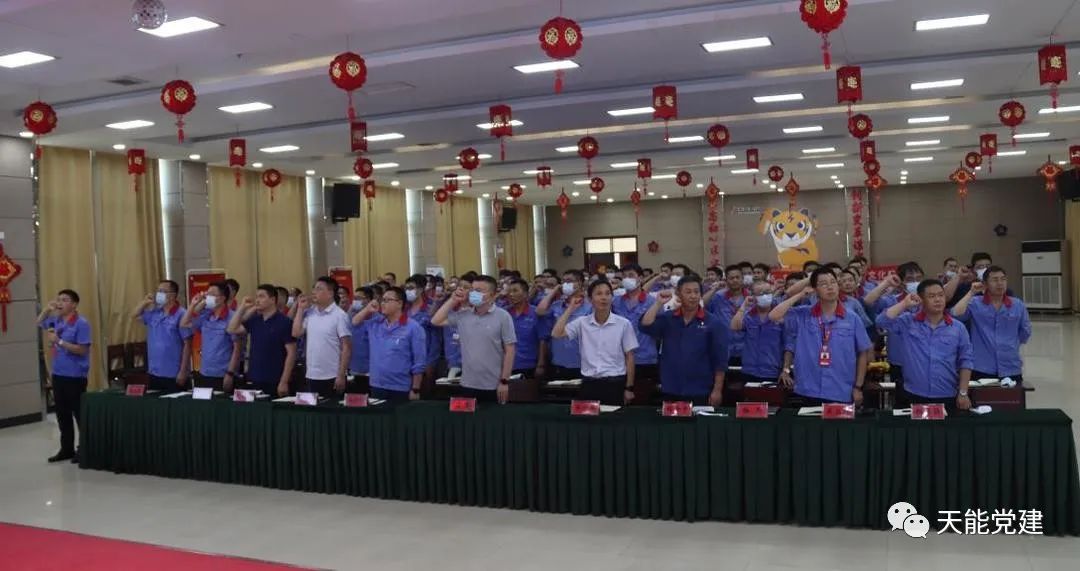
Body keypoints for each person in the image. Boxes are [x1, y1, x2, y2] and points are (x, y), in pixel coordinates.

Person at [770, 269, 872, 405]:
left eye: (833, 282)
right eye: (823, 284)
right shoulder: (803, 314)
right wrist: (800, 294)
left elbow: (863, 353)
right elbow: (773, 316)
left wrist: (858, 387)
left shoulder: (852, 318)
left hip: (840, 389)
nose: (830, 287)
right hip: (807, 389)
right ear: (815, 290)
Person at [877, 279, 973, 410]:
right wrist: (904, 304)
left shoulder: (958, 328)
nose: (938, 300)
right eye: (931, 296)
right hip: (913, 393)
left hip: (946, 393)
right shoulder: (908, 322)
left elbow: (966, 361)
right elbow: (881, 321)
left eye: (940, 295)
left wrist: (963, 392)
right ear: (921, 299)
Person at [640, 275, 727, 406]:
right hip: (670, 388)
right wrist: (658, 303)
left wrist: (717, 390)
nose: (693, 296)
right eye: (688, 292)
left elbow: (720, 360)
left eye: (696, 292)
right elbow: (645, 325)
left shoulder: (713, 323)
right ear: (678, 294)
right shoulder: (668, 318)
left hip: (700, 390)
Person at [432, 275, 516, 403]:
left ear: (492, 295)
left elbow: (510, 350)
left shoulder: (503, 316)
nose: (473, 293)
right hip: (468, 383)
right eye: (472, 290)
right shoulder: (463, 315)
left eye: (479, 290)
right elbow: (436, 321)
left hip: (493, 384)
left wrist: (504, 381)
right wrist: (453, 300)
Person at [552, 280, 638, 405]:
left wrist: (629, 388)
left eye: (607, 294)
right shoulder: (582, 322)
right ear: (590, 299)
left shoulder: (623, 324)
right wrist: (570, 308)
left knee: (613, 416)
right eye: (599, 294)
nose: (604, 298)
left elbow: (630, 357)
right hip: (589, 382)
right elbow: (556, 333)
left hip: (615, 382)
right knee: (588, 417)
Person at [37, 289, 92, 463]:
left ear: (74, 304)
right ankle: (66, 449)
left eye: (65, 300)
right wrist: (47, 309)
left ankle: (85, 449)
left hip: (75, 375)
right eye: (59, 299)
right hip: (58, 373)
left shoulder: (81, 323)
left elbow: (82, 350)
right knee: (62, 414)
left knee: (79, 414)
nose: (60, 302)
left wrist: (59, 341)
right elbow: (39, 322)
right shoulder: (56, 320)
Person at [951, 266, 1032, 383]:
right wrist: (971, 292)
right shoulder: (975, 303)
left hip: (1011, 366)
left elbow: (1025, 333)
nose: (1000, 283)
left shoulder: (1017, 305)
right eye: (994, 280)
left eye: (1003, 279)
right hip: (981, 367)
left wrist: (1010, 344)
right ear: (985, 284)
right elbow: (956, 315)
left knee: (1013, 394)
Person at [352, 287, 427, 402]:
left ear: (399, 303)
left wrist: (415, 389)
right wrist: (367, 309)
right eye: (382, 300)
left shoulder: (413, 327)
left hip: (400, 387)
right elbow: (355, 322)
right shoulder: (375, 324)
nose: (383, 303)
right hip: (377, 385)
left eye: (387, 300)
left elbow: (419, 362)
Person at [228, 285, 296, 397]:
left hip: (275, 379)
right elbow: (232, 329)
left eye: (261, 296)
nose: (257, 300)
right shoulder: (255, 320)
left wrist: (284, 381)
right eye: (256, 297)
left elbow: (291, 353)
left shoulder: (284, 322)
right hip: (254, 377)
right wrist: (242, 308)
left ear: (272, 300)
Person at [292, 277, 352, 398]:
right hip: (311, 374)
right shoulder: (311, 313)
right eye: (314, 288)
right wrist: (300, 309)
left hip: (332, 375)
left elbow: (346, 347)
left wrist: (341, 375)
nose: (314, 292)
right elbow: (296, 333)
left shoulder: (339, 315)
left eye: (319, 289)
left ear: (330, 293)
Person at [130, 279, 192, 392]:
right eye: (158, 291)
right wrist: (144, 302)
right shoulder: (155, 312)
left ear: (173, 295)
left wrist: (183, 371)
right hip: (154, 372)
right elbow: (134, 315)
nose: (158, 294)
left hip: (174, 373)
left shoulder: (182, 314)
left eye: (162, 291)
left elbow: (187, 345)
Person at [865, 262, 923, 382]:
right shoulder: (892, 300)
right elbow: (868, 302)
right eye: (910, 279)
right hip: (899, 361)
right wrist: (887, 283)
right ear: (902, 282)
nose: (915, 282)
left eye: (918, 278)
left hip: (922, 359)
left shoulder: (928, 301)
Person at [180, 281, 242, 391]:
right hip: (204, 373)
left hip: (223, 374)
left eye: (212, 294)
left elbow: (237, 349)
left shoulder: (232, 318)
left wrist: (230, 373)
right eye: (207, 294)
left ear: (222, 298)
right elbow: (184, 323)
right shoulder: (206, 315)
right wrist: (194, 304)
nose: (208, 297)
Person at [612, 264, 659, 398]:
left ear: (640, 278)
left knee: (642, 400)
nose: (627, 279)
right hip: (620, 360)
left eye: (631, 275)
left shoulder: (653, 302)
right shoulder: (615, 302)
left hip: (645, 358)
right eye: (624, 276)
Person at [536, 270, 591, 379]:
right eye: (563, 281)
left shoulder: (589, 307)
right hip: (558, 362)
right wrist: (555, 289)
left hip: (581, 363)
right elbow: (540, 311)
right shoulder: (557, 306)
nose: (565, 284)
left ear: (580, 283)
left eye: (569, 281)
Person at [730, 281, 783, 386]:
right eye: (761, 293)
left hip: (772, 372)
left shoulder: (780, 314)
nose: (765, 296)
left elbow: (788, 344)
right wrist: (744, 305)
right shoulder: (748, 315)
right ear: (753, 296)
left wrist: (785, 369)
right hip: (749, 371)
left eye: (767, 292)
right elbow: (734, 327)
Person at [704, 264, 749, 366]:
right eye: (731, 278)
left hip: (746, 349)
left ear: (742, 279)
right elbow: (701, 304)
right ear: (726, 280)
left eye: (737, 277)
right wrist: (714, 289)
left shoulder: (751, 298)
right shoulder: (718, 296)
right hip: (723, 348)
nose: (735, 280)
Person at [505, 279, 545, 378]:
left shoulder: (535, 313)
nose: (511, 294)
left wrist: (541, 364)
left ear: (526, 294)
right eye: (509, 291)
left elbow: (542, 340)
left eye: (515, 291)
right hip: (506, 365)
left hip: (529, 365)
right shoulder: (504, 313)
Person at [946, 252, 1015, 306]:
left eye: (988, 266)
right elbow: (947, 299)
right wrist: (959, 275)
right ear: (973, 270)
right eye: (980, 267)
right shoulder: (965, 288)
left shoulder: (1002, 289)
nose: (985, 269)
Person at [348, 287, 375, 381]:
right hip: (352, 368)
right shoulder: (350, 317)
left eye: (358, 298)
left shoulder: (377, 319)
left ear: (369, 300)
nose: (355, 301)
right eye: (354, 298)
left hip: (371, 370)